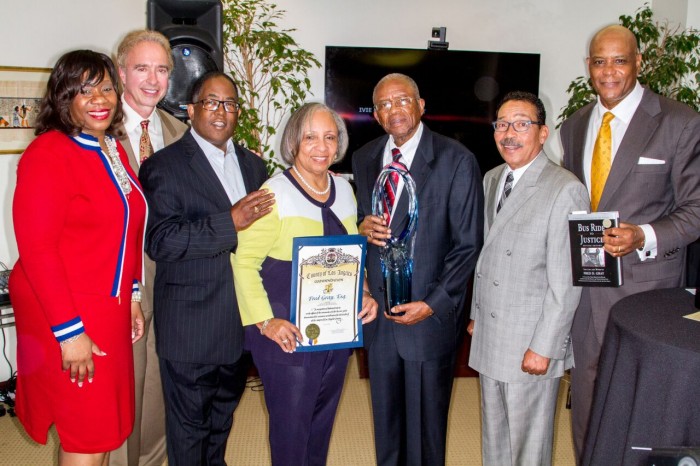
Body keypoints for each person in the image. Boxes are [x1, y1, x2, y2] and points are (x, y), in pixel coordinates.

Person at [560, 24, 700, 459]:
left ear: (638, 62)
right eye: (599, 61)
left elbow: (695, 210)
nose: (609, 71)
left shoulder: (680, 122)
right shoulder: (575, 125)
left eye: (620, 60)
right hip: (586, 288)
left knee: (638, 405)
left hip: (646, 296)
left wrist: (644, 235)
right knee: (585, 394)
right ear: (588, 67)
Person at [9, 49, 146, 466]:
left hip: (108, 307)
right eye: (84, 90)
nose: (99, 98)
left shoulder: (113, 151)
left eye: (106, 87)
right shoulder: (48, 153)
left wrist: (134, 296)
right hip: (68, 311)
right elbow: (37, 251)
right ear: (63, 97)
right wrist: (70, 335)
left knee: (102, 427)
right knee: (84, 432)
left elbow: (129, 226)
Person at [138, 71, 274, 466]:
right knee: (189, 432)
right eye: (212, 102)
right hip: (190, 329)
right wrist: (228, 222)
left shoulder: (254, 166)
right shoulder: (164, 166)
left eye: (230, 104)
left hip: (239, 323)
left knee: (221, 424)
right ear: (191, 109)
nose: (221, 111)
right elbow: (161, 242)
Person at [232, 102, 378, 465]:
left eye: (330, 138)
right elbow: (243, 262)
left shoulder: (344, 190)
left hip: (334, 331)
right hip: (287, 333)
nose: (321, 147)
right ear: (294, 141)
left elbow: (348, 256)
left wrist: (364, 292)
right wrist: (266, 322)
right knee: (291, 427)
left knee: (322, 421)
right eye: (311, 137)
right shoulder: (273, 193)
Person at [352, 73, 484, 465]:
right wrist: (361, 228)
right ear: (376, 115)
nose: (395, 110)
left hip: (428, 319)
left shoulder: (457, 160)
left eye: (403, 100)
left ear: (421, 105)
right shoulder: (364, 159)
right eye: (385, 104)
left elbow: (467, 246)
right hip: (378, 319)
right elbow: (360, 224)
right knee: (387, 427)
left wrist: (433, 303)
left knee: (426, 435)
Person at [468, 91, 588, 466]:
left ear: (542, 133)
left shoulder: (565, 188)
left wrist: (546, 346)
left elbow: (567, 281)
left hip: (530, 341)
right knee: (496, 441)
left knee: (528, 450)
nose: (509, 133)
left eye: (521, 124)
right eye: (502, 124)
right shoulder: (492, 179)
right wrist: (475, 313)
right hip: (491, 333)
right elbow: (487, 254)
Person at [110, 29, 188, 466]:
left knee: (159, 397)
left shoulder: (179, 133)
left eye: (161, 69)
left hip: (172, 286)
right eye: (142, 68)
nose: (152, 80)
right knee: (121, 397)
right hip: (119, 288)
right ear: (122, 72)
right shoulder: (97, 129)